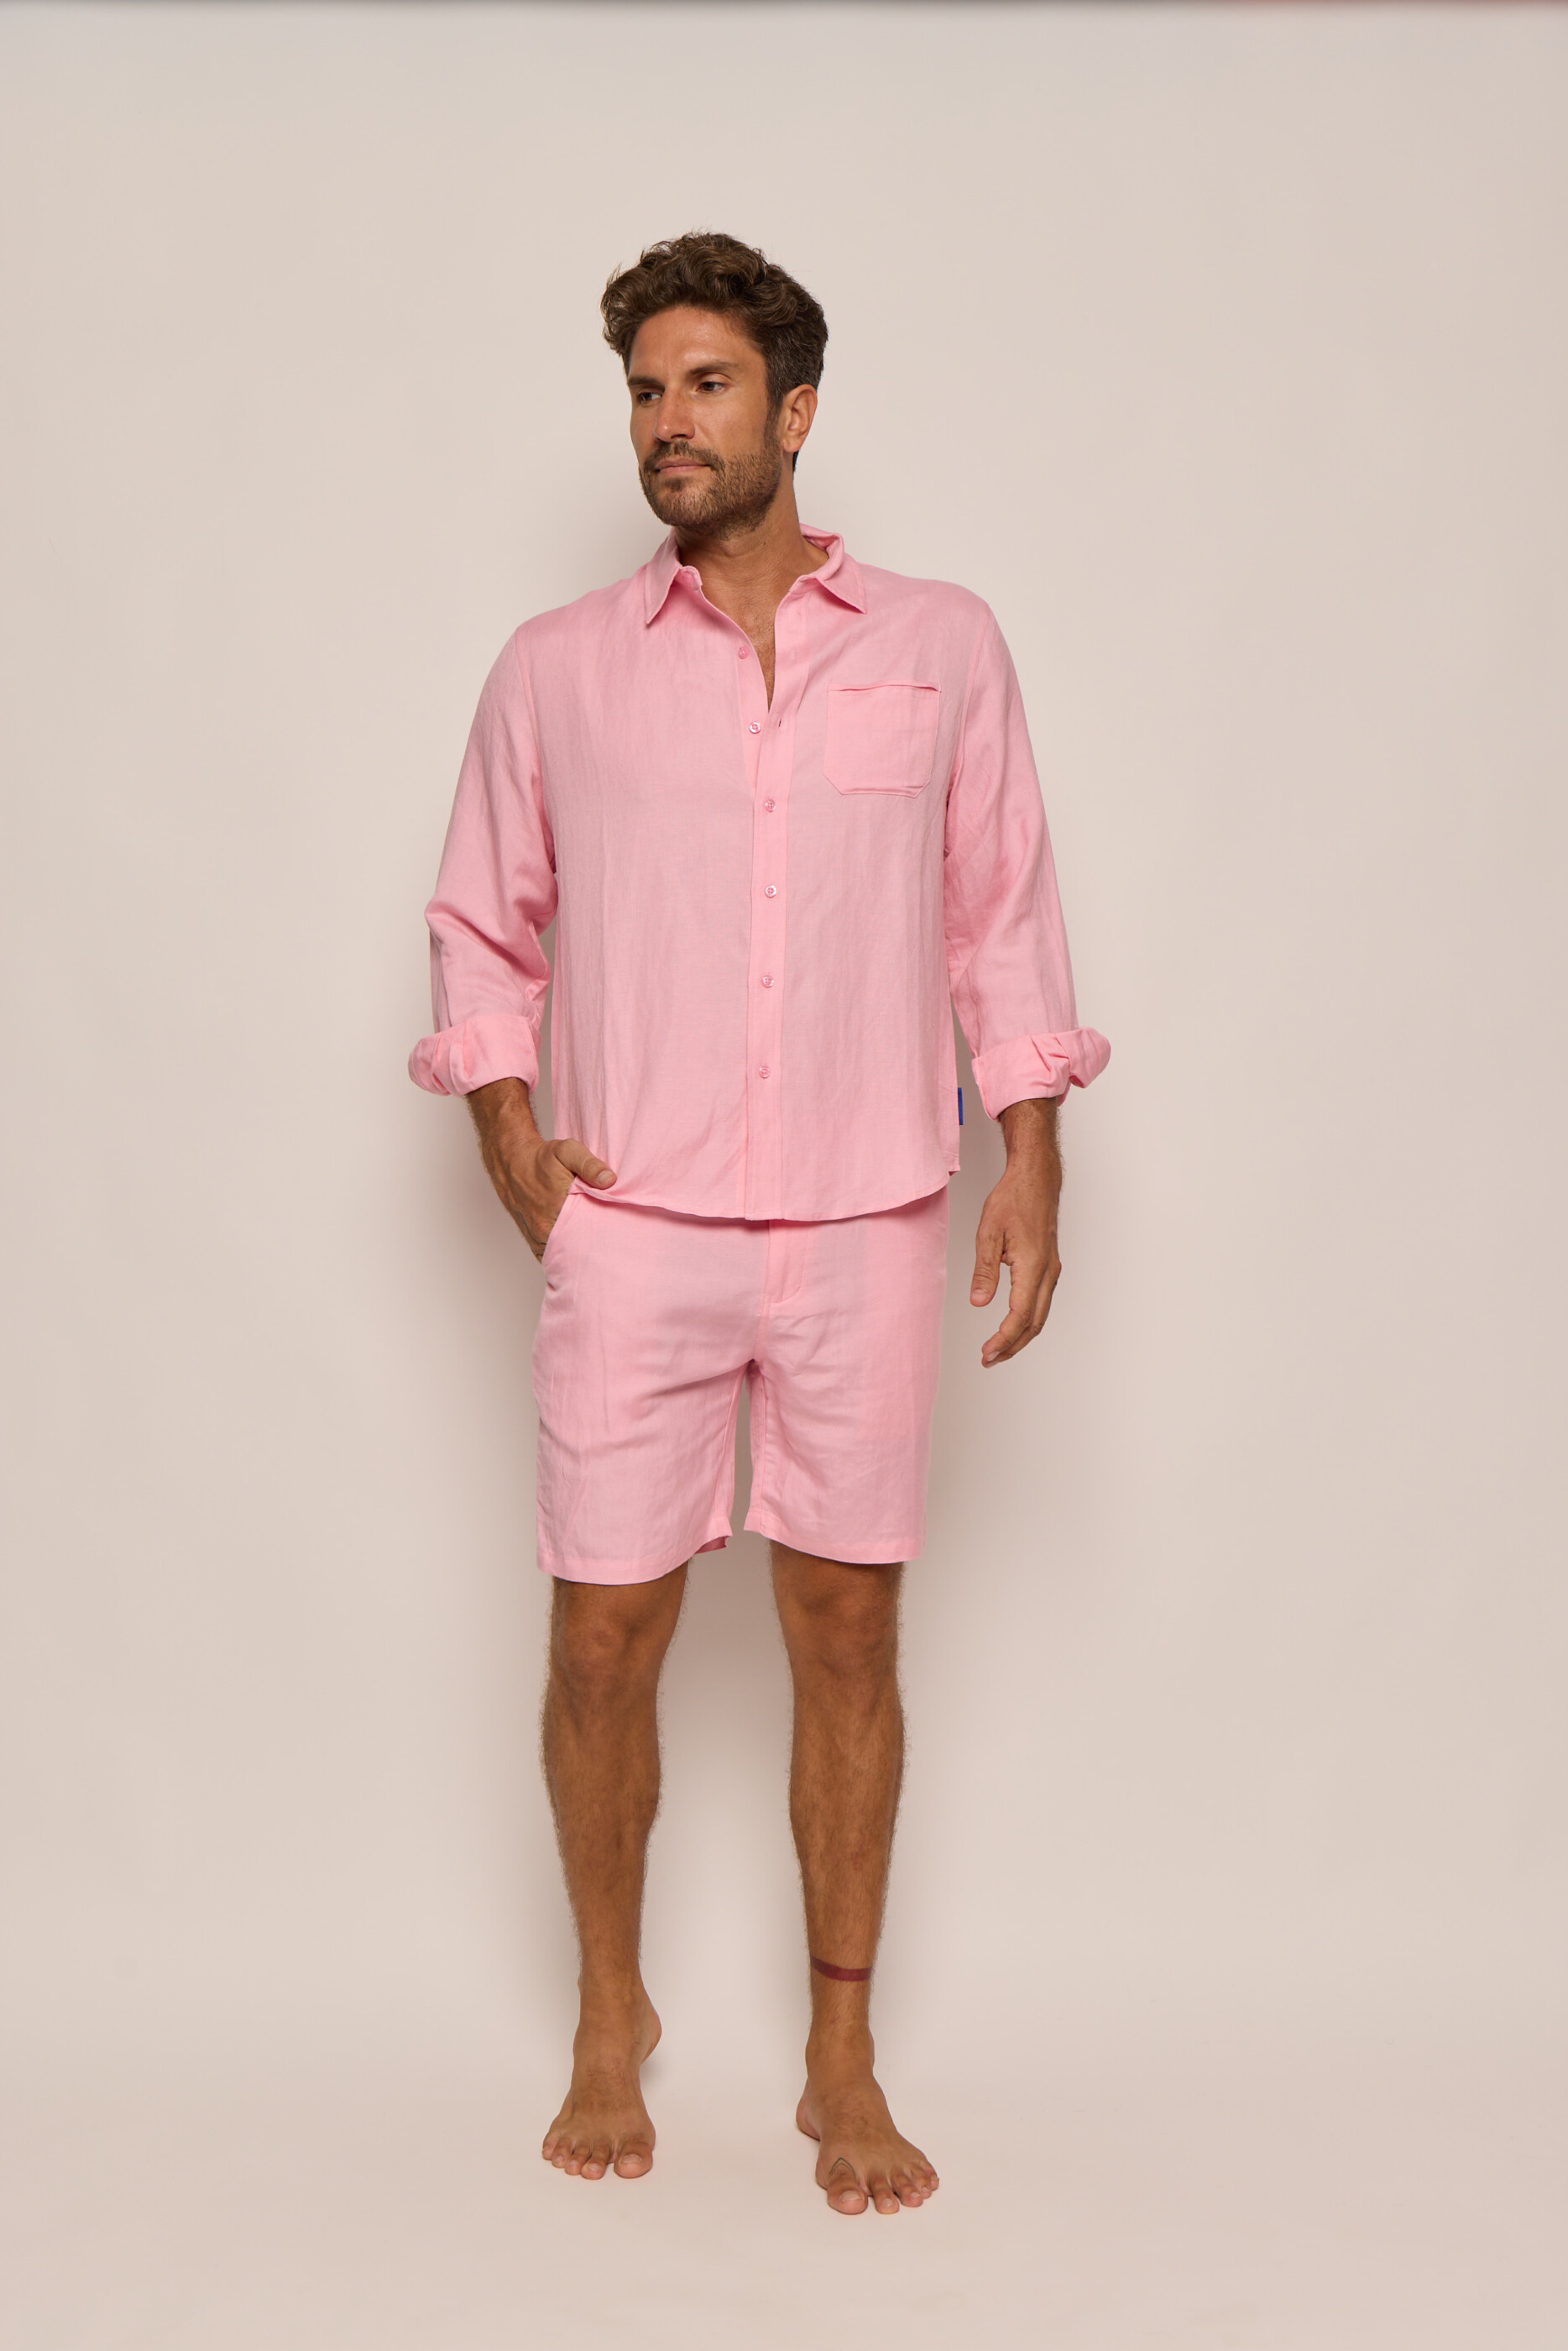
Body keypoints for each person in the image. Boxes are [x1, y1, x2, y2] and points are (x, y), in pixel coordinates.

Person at [409, 231, 1108, 2218]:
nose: (666, 422)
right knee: (601, 1634)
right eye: (644, 390)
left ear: (795, 411)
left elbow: (998, 906)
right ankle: (606, 2011)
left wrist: (1032, 1146)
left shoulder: (942, 644)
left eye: (704, 385)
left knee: (846, 1629)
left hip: (868, 1209)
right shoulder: (554, 667)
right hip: (634, 1215)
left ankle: (838, 2049)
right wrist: (510, 1134)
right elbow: (478, 914)